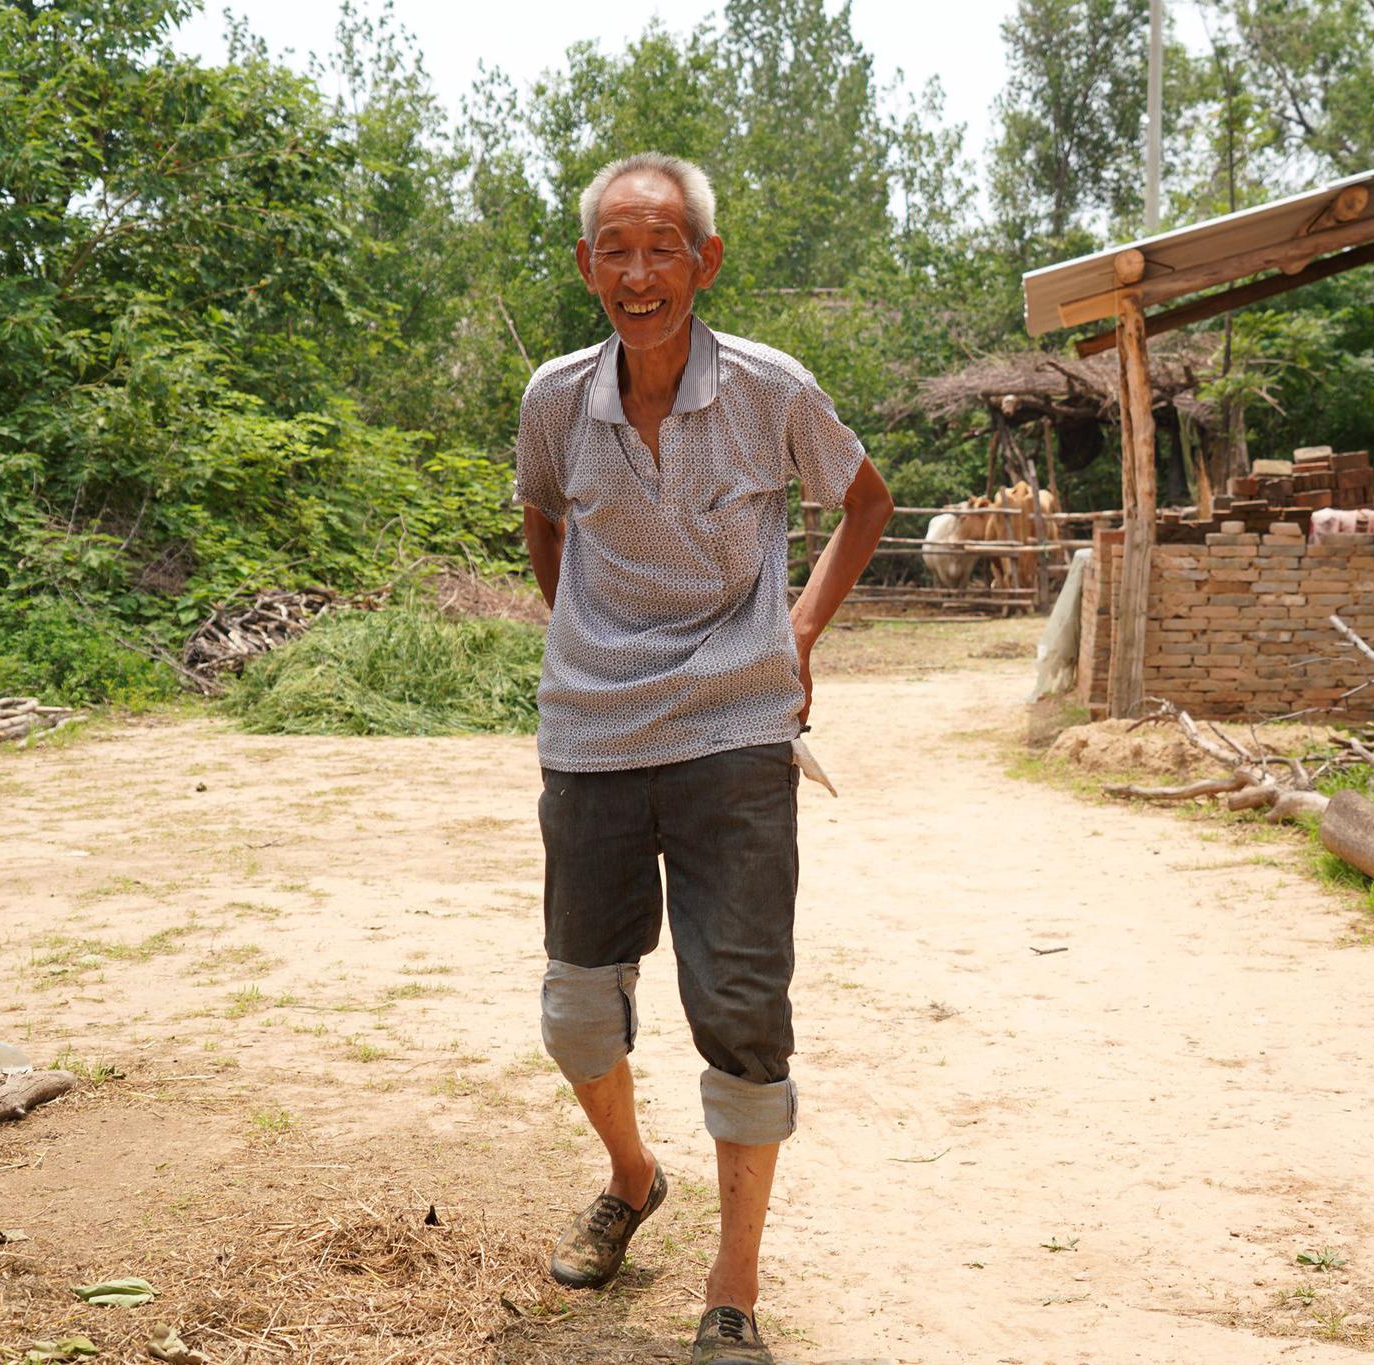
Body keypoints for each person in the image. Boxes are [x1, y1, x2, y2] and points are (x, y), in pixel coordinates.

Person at [514, 151, 893, 1365]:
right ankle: (632, 1177)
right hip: (592, 738)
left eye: (661, 247)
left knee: (738, 1007)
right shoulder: (554, 399)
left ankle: (732, 1289)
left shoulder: (768, 388)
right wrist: (587, 643)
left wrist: (798, 633)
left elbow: (865, 501)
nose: (639, 273)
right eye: (615, 251)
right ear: (588, 268)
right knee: (577, 1012)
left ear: (704, 261)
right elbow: (540, 514)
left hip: (736, 731)